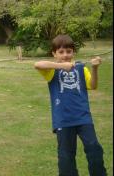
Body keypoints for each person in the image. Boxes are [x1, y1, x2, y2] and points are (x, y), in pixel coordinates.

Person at [34, 34, 107, 176]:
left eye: (69, 51)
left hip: (83, 117)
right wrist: (61, 66)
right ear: (54, 53)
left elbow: (93, 85)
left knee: (94, 148)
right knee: (66, 156)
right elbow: (37, 64)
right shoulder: (51, 71)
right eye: (61, 52)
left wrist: (95, 68)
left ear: (73, 52)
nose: (65, 55)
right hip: (63, 119)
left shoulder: (81, 69)